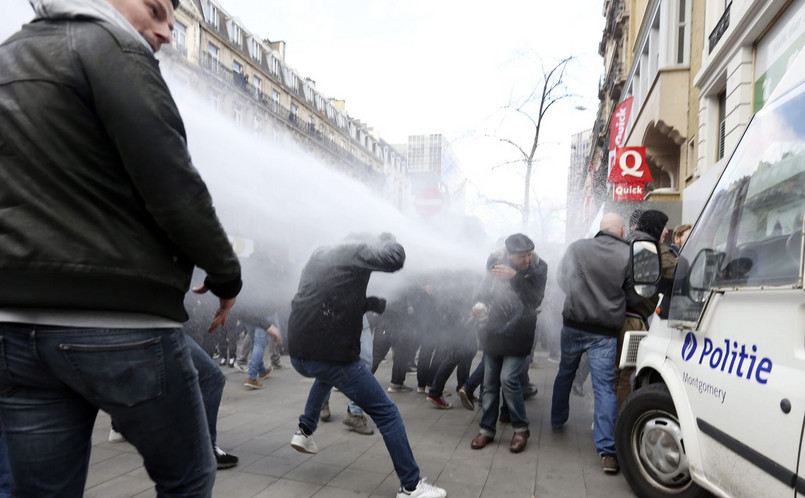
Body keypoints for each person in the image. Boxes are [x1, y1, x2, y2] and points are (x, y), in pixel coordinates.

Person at [0, 0, 243, 495]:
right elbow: (175, 188)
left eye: (173, 22)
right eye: (156, 11)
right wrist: (226, 275)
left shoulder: (8, 57)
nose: (166, 33)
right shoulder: (114, 49)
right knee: (189, 476)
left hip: (15, 327)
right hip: (119, 322)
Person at [287, 233, 447, 498]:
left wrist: (367, 304)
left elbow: (326, 298)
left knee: (325, 375)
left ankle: (304, 430)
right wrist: (389, 240)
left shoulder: (321, 254)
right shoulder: (357, 251)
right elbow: (394, 259)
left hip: (299, 354)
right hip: (331, 354)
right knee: (387, 413)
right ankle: (411, 486)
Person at [550, 213, 638, 475]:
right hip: (605, 331)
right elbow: (632, 292)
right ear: (621, 231)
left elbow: (560, 278)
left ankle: (556, 420)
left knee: (565, 373)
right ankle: (607, 451)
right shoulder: (628, 254)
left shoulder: (577, 247)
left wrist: (578, 296)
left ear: (601, 229)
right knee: (604, 388)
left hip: (574, 324)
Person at [470, 234, 547, 454]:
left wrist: (516, 277)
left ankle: (521, 429)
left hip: (520, 332)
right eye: (522, 256)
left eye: (529, 255)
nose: (527, 260)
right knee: (490, 381)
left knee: (508, 378)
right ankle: (486, 429)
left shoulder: (539, 268)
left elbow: (534, 300)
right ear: (509, 254)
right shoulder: (495, 262)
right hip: (494, 330)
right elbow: (485, 291)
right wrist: (479, 304)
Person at [243, 317, 283, 390]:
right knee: (259, 344)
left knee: (254, 342)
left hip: (247, 313)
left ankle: (262, 370)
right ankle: (251, 377)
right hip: (262, 313)